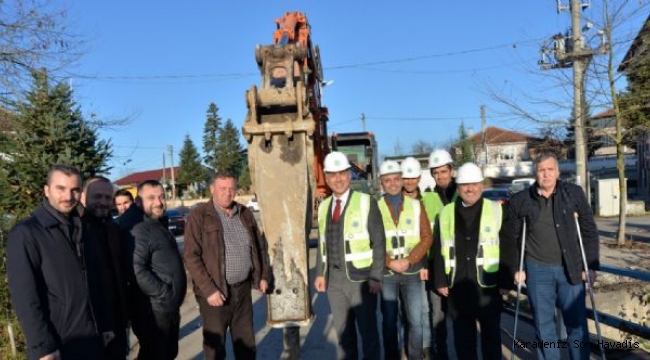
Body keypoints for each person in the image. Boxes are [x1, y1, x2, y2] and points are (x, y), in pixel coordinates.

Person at [7, 164, 112, 360]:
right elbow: (25, 297)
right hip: (59, 345)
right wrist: (42, 347)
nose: (68, 196)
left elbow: (96, 281)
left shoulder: (83, 229)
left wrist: (105, 324)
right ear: (47, 190)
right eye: (60, 188)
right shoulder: (27, 234)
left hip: (92, 340)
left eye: (74, 190)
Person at [506, 153, 599, 360]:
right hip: (536, 270)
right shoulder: (520, 200)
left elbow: (589, 230)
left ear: (558, 172)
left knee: (576, 325)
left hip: (572, 269)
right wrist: (515, 268)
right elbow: (511, 239)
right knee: (543, 326)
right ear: (535, 174)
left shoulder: (573, 194)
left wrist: (590, 266)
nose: (546, 174)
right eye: (541, 170)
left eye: (550, 170)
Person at [184, 171, 270, 359]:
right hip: (216, 294)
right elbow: (191, 256)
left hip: (243, 291)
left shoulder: (244, 213)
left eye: (231, 188)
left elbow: (259, 247)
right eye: (222, 188)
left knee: (246, 345)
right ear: (212, 189)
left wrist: (263, 276)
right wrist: (209, 290)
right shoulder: (199, 216)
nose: (227, 193)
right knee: (215, 349)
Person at [432, 162, 511, 360]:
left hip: (489, 287)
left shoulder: (496, 210)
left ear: (481, 185)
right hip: (458, 286)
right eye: (465, 185)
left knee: (491, 339)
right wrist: (440, 280)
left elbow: (508, 247)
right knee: (463, 341)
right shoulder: (446, 213)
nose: (470, 189)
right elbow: (439, 246)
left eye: (474, 184)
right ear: (458, 187)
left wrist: (505, 281)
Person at [313, 151, 386, 360]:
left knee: (368, 333)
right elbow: (322, 244)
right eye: (333, 175)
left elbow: (379, 242)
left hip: (362, 281)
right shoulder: (325, 206)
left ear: (349, 174)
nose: (338, 179)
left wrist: (376, 276)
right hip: (335, 282)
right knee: (344, 334)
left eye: (342, 173)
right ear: (326, 178)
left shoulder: (366, 202)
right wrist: (320, 273)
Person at [378, 160, 432, 360]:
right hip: (387, 274)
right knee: (389, 321)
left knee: (416, 321)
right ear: (381, 183)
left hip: (412, 272)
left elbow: (427, 237)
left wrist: (410, 260)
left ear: (401, 180)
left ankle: (415, 356)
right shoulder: (374, 208)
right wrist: (389, 262)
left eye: (396, 179)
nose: (392, 183)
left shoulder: (416, 206)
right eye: (387, 180)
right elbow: (371, 242)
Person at [130, 179, 187, 360]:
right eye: (151, 198)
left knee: (168, 353)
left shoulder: (158, 224)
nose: (159, 202)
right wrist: (165, 293)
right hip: (157, 311)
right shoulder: (140, 230)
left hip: (168, 308)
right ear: (139, 202)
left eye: (162, 197)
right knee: (157, 354)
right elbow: (138, 270)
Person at [81, 176, 129, 360]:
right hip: (92, 325)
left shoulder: (112, 228)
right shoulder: (76, 230)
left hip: (117, 319)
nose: (103, 202)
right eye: (97, 196)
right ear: (84, 196)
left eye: (108, 198)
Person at [422, 149, 458, 359]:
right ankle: (441, 353)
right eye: (435, 173)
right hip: (436, 266)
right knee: (438, 316)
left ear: (451, 171)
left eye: (443, 171)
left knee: (462, 316)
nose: (440, 176)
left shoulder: (462, 194)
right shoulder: (428, 199)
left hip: (460, 266)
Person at [400, 156, 433, 359]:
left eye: (413, 177)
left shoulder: (427, 200)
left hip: (421, 264)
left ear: (419, 178)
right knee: (401, 310)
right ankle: (405, 345)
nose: (410, 181)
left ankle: (425, 347)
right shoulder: (391, 201)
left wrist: (424, 264)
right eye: (406, 177)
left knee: (422, 309)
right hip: (397, 267)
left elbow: (430, 236)